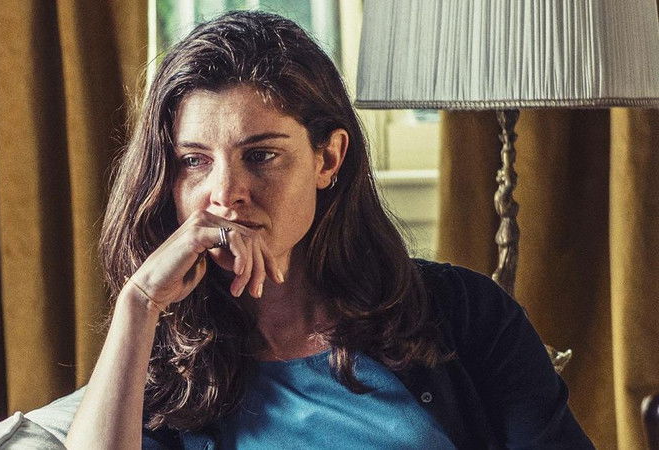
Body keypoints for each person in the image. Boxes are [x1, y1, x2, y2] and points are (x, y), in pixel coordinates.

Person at [66, 10, 593, 449]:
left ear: (328, 158)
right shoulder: (166, 363)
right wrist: (138, 301)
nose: (225, 193)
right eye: (194, 161)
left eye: (261, 155)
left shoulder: (465, 312)